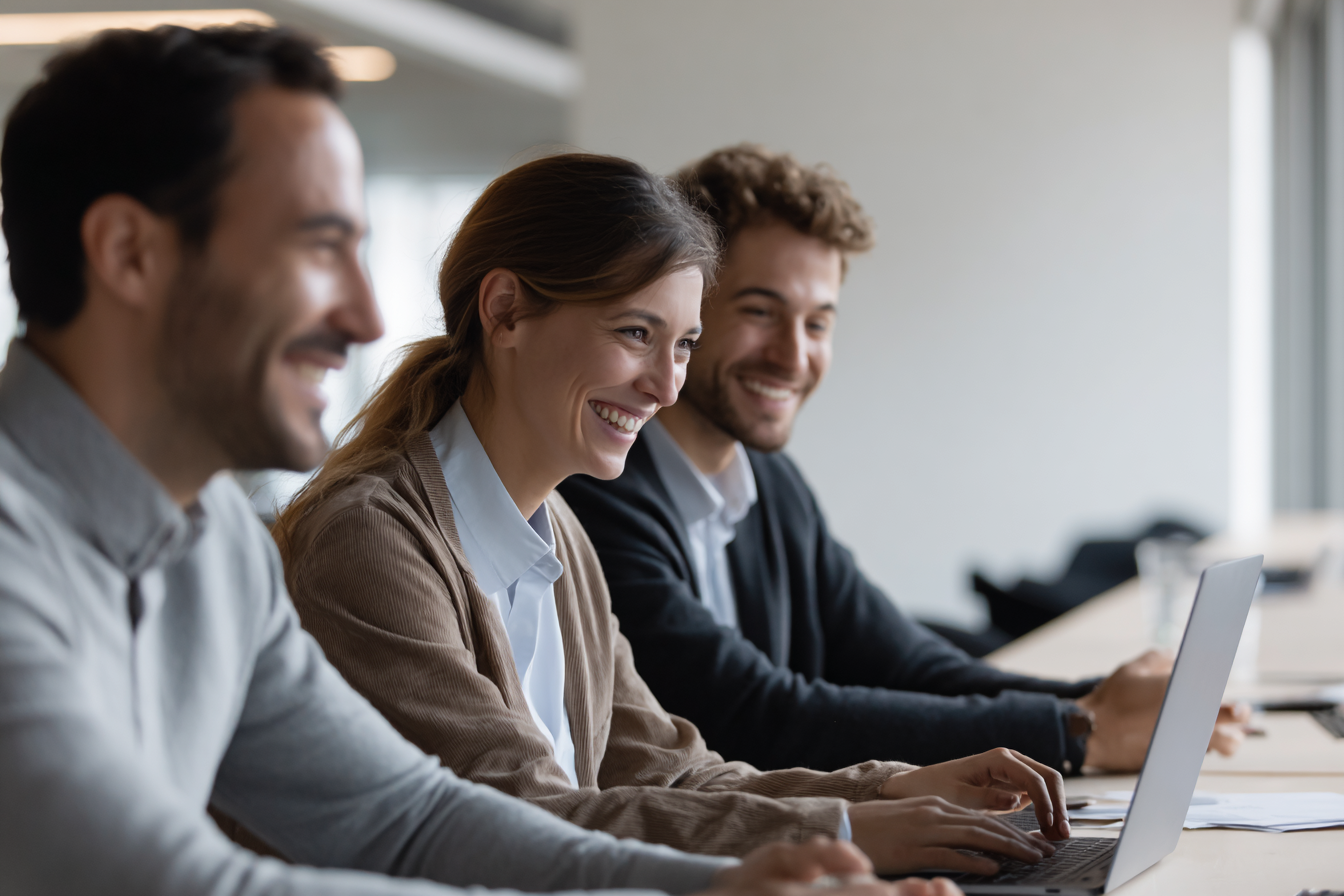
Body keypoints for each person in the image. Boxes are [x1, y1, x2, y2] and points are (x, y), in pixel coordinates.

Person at [0, 27, 954, 896]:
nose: (367, 317)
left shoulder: (218, 552)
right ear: (129, 253)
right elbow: (175, 883)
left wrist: (716, 885)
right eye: (318, 246)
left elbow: (409, 817)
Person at [273, 151, 1068, 881]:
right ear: (507, 310)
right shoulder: (371, 538)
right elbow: (517, 818)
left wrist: (892, 788)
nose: (664, 385)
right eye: (634, 334)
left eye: (683, 344)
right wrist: (848, 830)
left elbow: (672, 772)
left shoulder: (558, 533)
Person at [557, 144, 1252, 776]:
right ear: (689, 308)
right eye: (761, 312)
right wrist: (1075, 730)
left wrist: (1106, 702)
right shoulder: (597, 487)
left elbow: (902, 661)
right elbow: (751, 715)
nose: (794, 356)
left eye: (819, 322)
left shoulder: (768, 482)